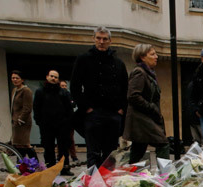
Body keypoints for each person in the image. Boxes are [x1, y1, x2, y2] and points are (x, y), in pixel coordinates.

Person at [70, 26, 128, 168]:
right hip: (93, 113)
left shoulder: (118, 63)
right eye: (98, 38)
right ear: (94, 39)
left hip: (113, 114)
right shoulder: (83, 60)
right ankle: (93, 185)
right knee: (93, 152)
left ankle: (108, 182)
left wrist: (121, 109)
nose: (101, 42)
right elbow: (75, 86)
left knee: (110, 154)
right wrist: (86, 108)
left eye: (104, 39)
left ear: (110, 41)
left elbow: (125, 88)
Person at [123, 44, 169, 164]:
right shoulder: (140, 72)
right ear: (143, 57)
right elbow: (133, 96)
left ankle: (128, 174)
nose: (156, 57)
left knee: (138, 149)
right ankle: (166, 175)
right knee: (162, 143)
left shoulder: (149, 73)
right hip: (141, 119)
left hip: (145, 118)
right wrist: (152, 107)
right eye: (152, 54)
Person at [33, 70, 73, 174]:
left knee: (63, 148)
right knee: (48, 148)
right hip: (46, 125)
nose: (53, 78)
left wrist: (68, 123)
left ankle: (65, 168)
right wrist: (39, 121)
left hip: (62, 125)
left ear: (58, 79)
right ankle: (50, 169)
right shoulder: (40, 92)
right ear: (47, 77)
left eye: (56, 77)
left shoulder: (63, 93)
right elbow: (36, 108)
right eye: (51, 76)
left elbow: (69, 109)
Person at [10, 70, 37, 159]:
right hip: (15, 121)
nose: (15, 80)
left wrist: (20, 119)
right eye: (13, 78)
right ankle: (21, 163)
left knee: (25, 144)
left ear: (22, 80)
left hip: (23, 122)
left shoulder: (26, 90)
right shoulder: (14, 90)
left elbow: (27, 108)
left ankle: (35, 162)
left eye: (17, 78)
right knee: (18, 144)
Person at [59, 80, 79, 163]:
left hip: (69, 120)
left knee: (70, 139)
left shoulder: (70, 95)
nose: (64, 87)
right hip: (60, 120)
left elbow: (74, 104)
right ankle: (59, 156)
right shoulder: (57, 95)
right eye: (62, 86)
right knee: (60, 140)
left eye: (65, 86)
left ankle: (74, 156)